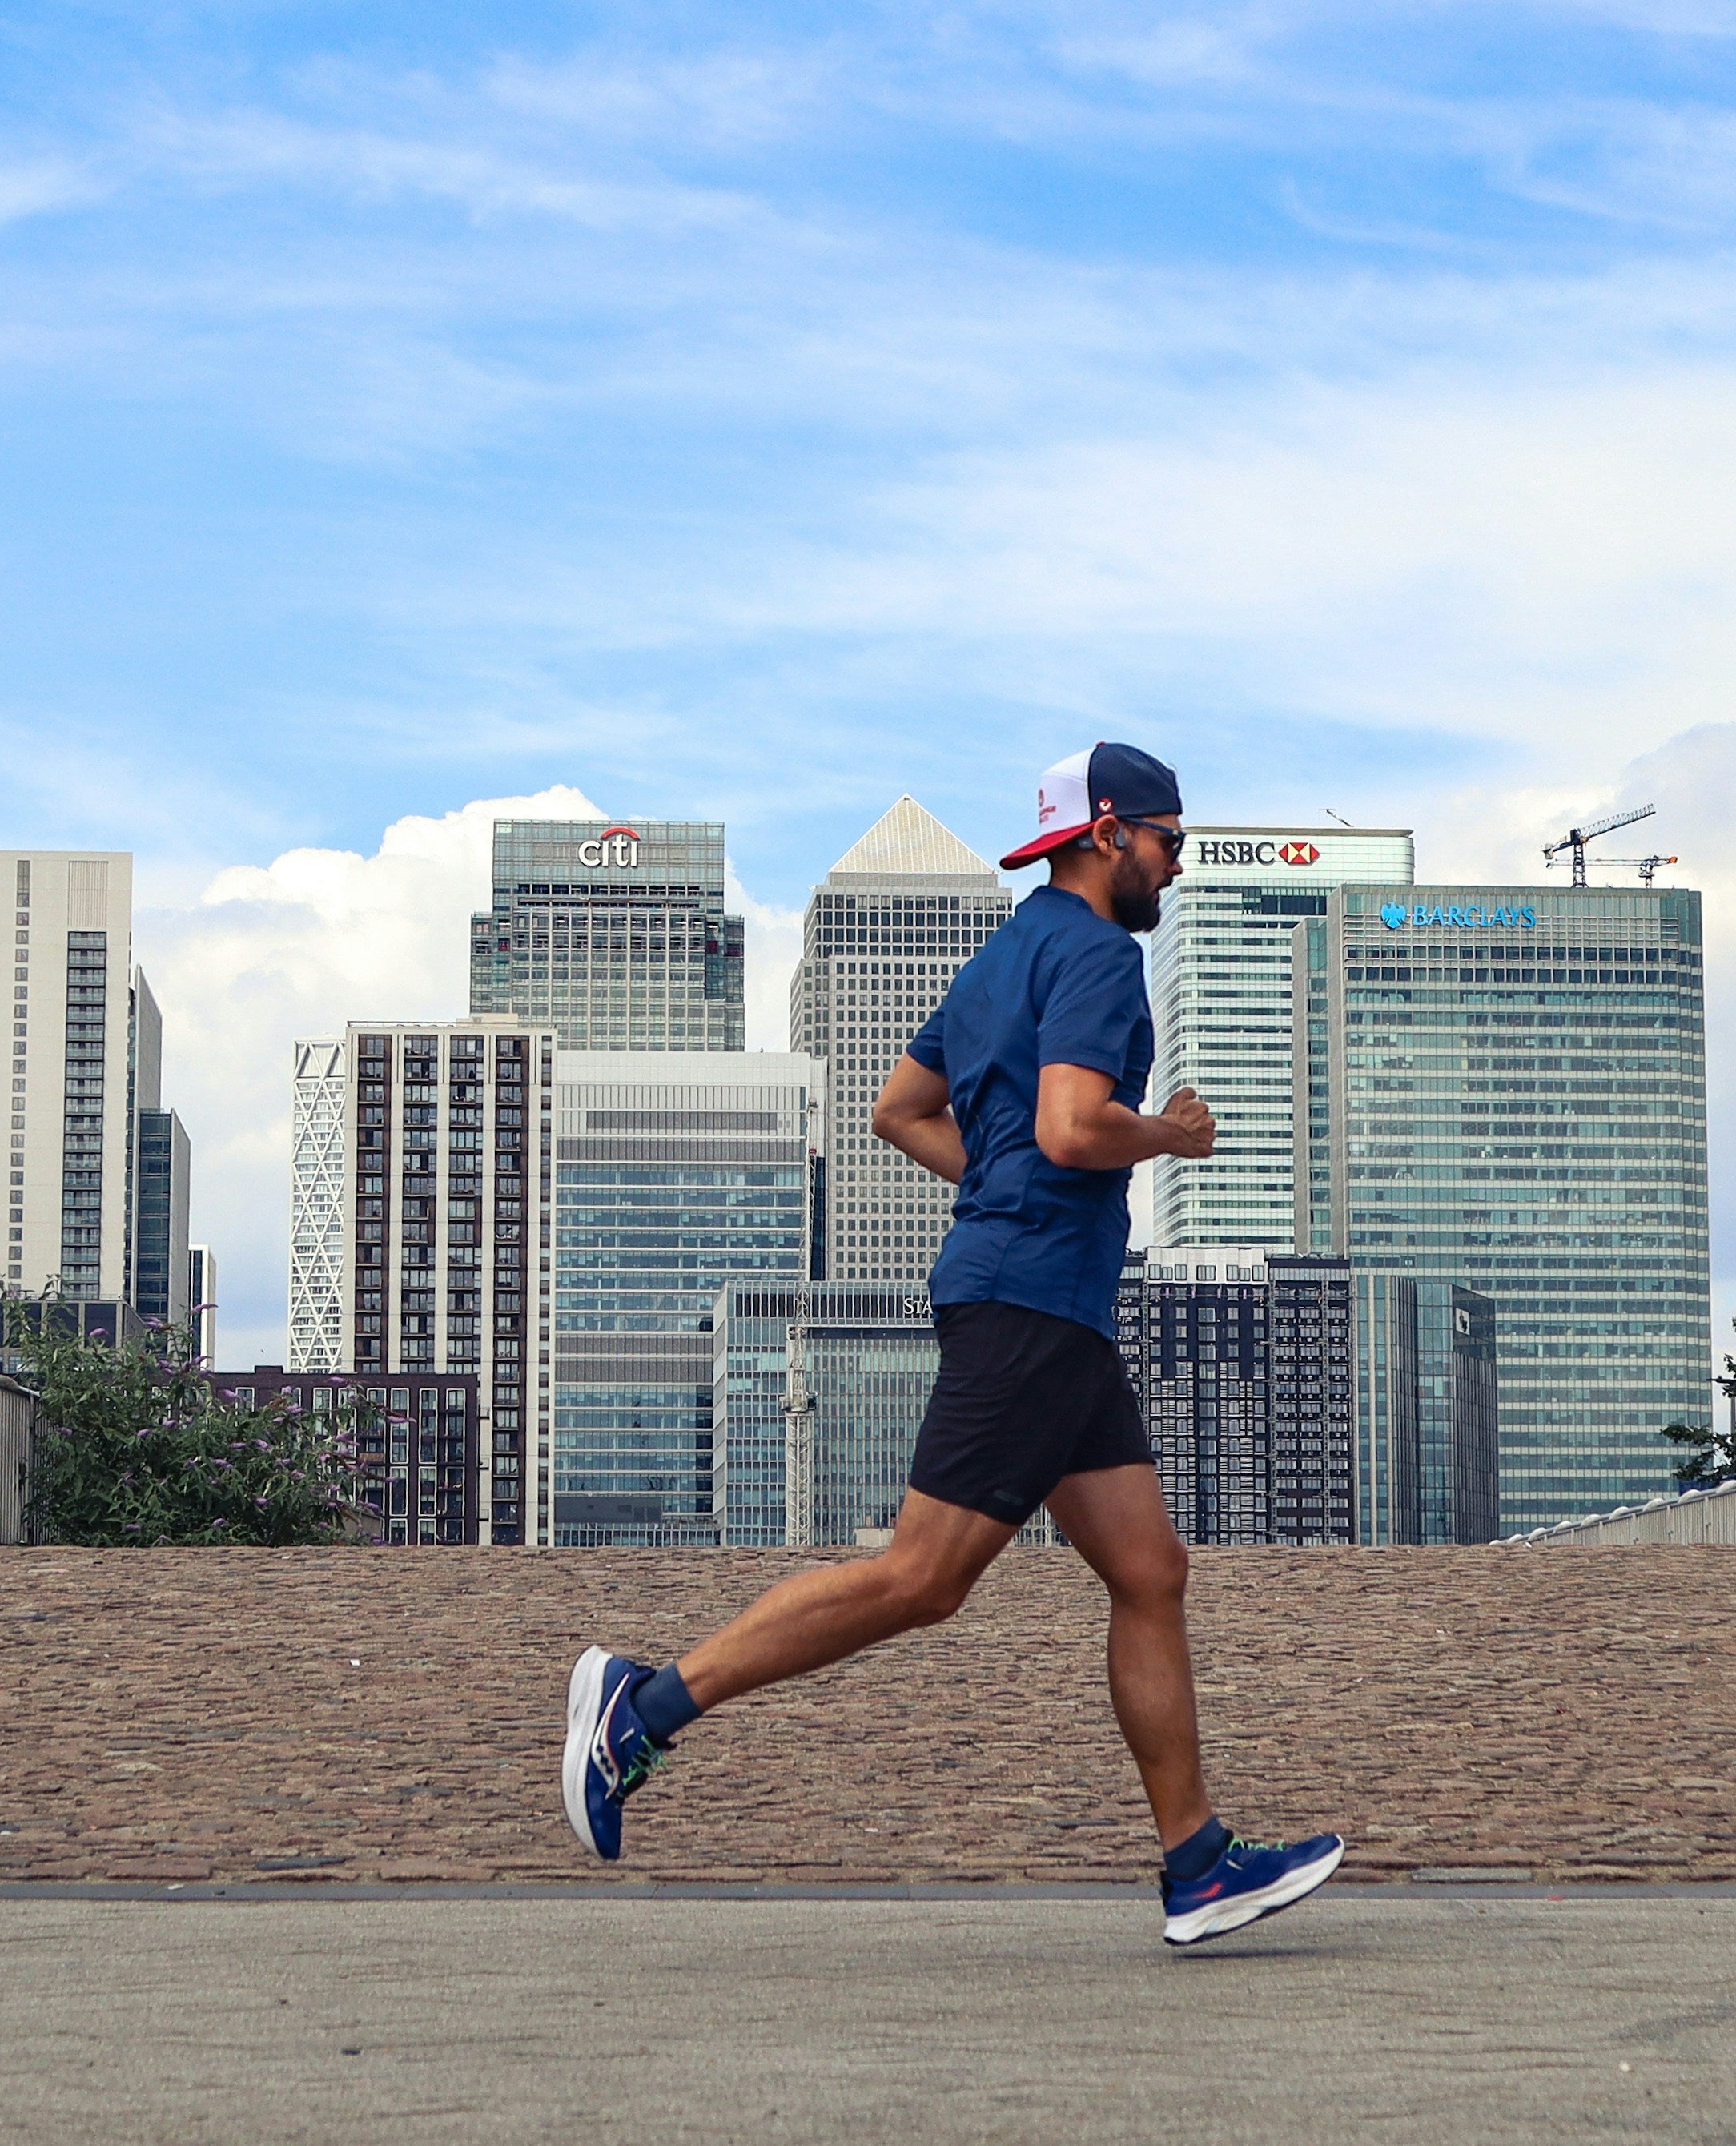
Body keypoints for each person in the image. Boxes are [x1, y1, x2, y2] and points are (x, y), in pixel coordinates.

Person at [560, 742, 1344, 1947]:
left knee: (1149, 1572)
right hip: (1032, 1304)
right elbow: (1074, 1128)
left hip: (1048, 1304)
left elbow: (899, 1110)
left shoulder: (1005, 954)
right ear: (1107, 831)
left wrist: (1001, 1188)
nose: (1177, 865)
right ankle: (642, 1710)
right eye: (1169, 840)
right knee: (921, 1579)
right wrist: (1168, 1135)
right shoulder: (1099, 954)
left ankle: (1197, 1863)